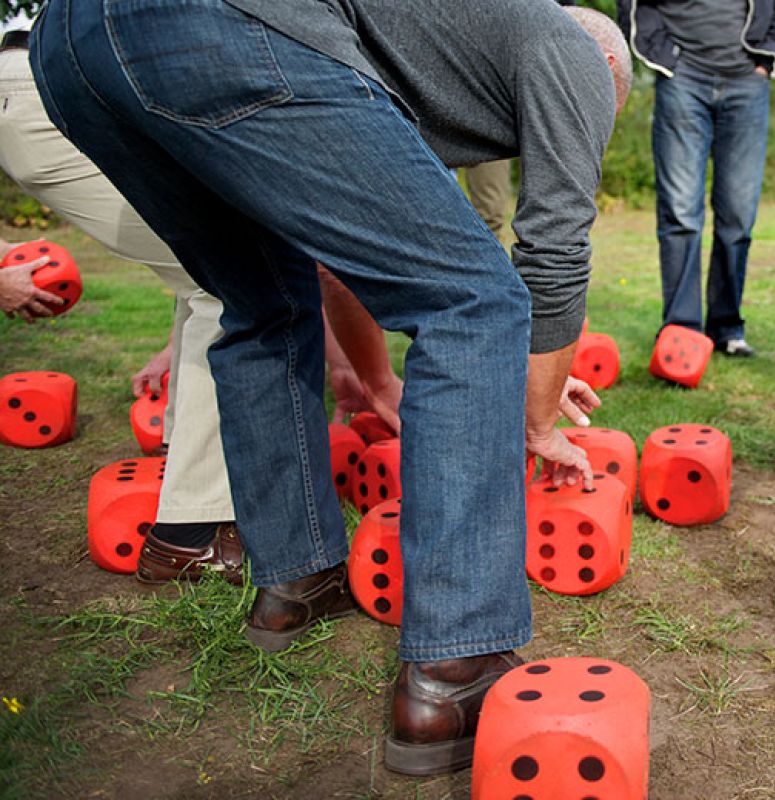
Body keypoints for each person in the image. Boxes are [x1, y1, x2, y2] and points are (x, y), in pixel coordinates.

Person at [32, 0, 632, 776]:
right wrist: (538, 419)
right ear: (609, 77)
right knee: (474, 301)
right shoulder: (578, 52)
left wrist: (377, 377)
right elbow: (552, 246)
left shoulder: (439, 48)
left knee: (263, 304)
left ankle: (297, 576)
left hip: (70, 48)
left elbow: (335, 259)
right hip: (208, 25)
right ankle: (457, 666)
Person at [1, 26, 245, 583]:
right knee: (233, 288)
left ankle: (180, 457)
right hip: (49, 90)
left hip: (54, 84)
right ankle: (192, 530)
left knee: (212, 276)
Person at [618, 0, 775, 357]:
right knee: (680, 213)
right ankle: (681, 330)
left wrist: (769, 57)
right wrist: (663, 53)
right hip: (682, 76)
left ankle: (727, 328)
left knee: (738, 215)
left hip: (747, 79)